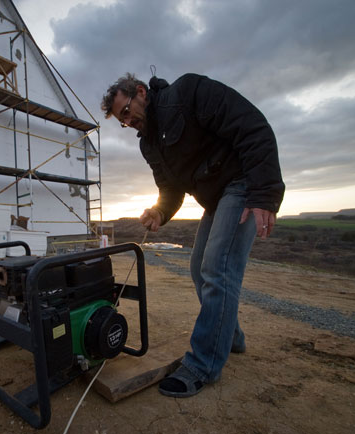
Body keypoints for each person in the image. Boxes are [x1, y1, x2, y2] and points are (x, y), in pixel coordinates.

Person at [101, 72, 284, 397]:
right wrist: (160, 211)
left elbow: (252, 125)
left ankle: (203, 364)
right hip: (215, 199)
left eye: (126, 111)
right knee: (199, 267)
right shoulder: (148, 144)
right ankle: (230, 337)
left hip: (242, 182)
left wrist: (265, 194)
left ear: (141, 92)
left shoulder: (188, 93)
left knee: (217, 269)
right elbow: (170, 188)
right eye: (121, 120)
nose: (126, 122)